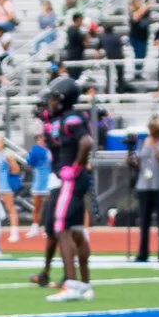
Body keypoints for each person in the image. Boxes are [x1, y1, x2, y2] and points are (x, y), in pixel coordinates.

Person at [44, 76, 94, 302]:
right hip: (76, 178)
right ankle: (85, 284)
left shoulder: (70, 119)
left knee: (61, 228)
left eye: (55, 98)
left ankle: (71, 285)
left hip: (71, 178)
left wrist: (75, 167)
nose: (51, 102)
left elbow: (86, 142)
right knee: (76, 230)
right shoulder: (70, 117)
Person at [132, 116, 159, 263]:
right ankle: (143, 252)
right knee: (144, 221)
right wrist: (132, 162)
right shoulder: (144, 142)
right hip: (144, 184)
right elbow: (140, 163)